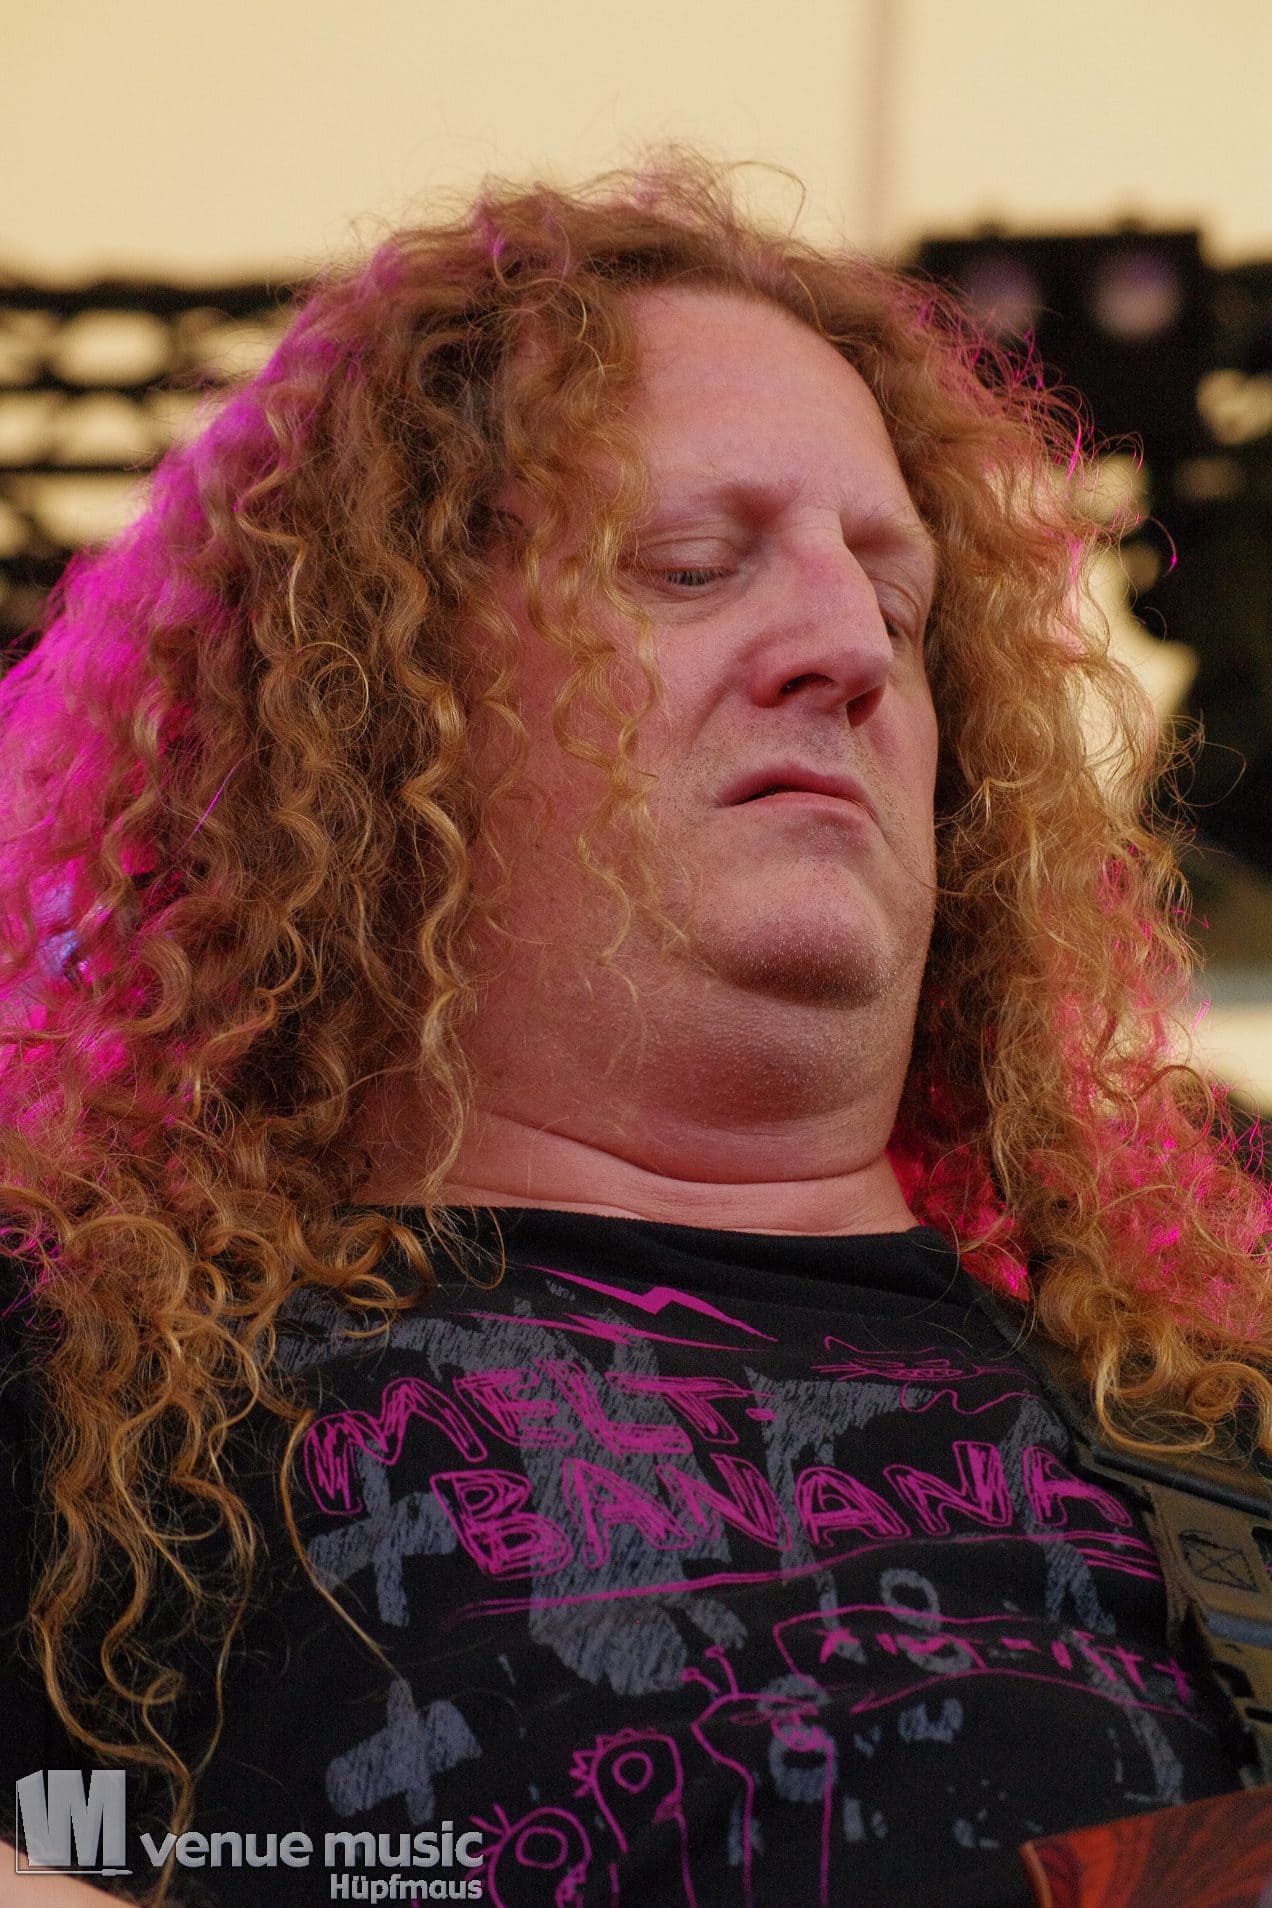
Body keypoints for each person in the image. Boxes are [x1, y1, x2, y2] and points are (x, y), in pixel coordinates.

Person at [1, 155, 1270, 1908]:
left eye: (902, 608)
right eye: (689, 568)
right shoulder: (85, 1376)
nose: (848, 648)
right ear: (377, 706)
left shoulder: (1208, 1377)